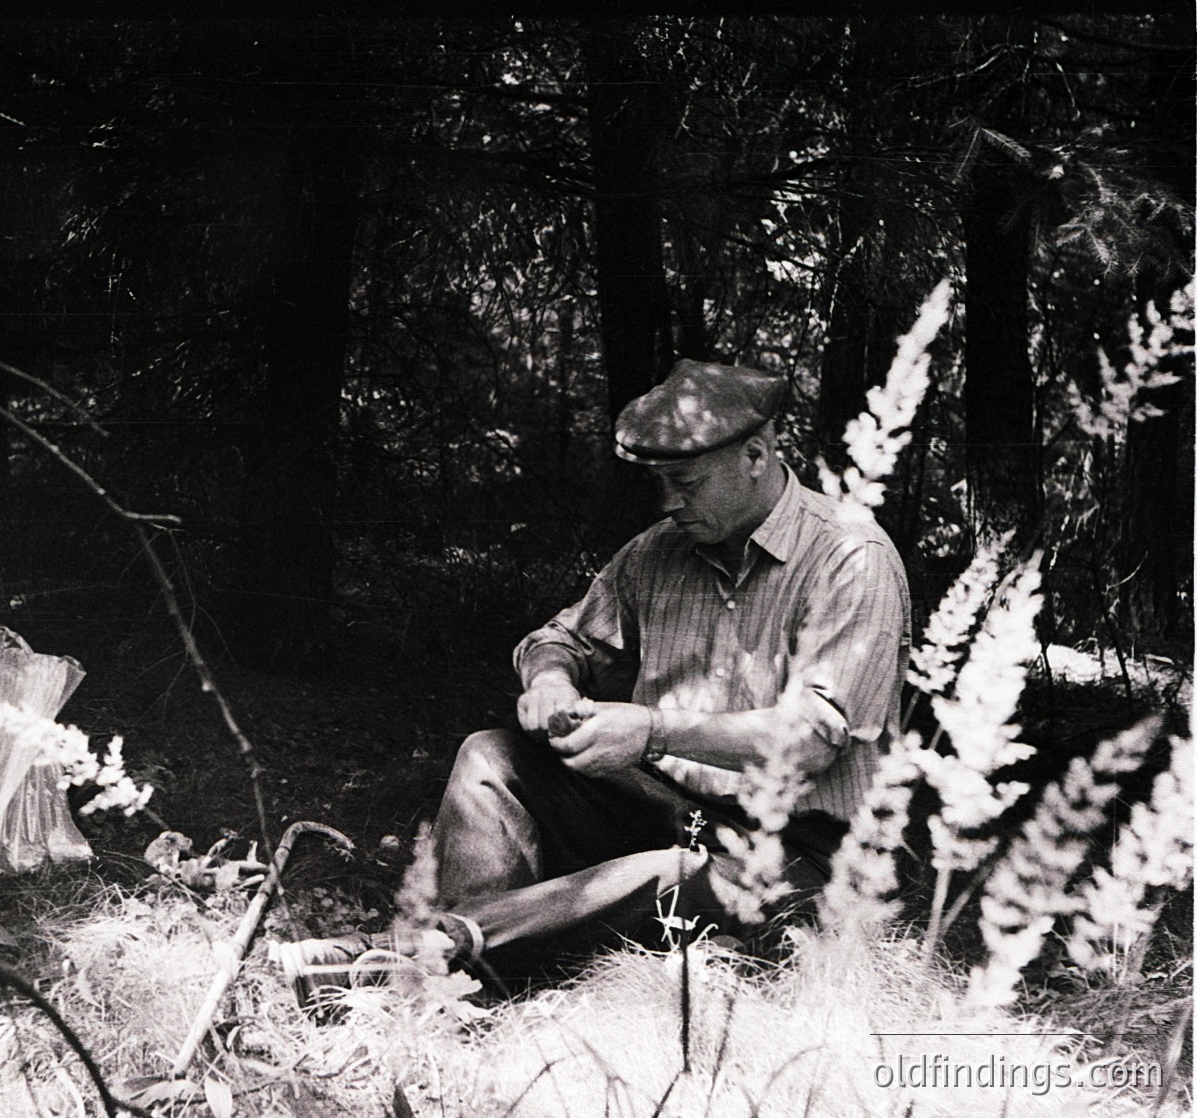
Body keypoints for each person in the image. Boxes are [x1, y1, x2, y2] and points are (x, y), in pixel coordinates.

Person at [273, 359, 910, 996]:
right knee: (490, 757)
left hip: (808, 854)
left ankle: (419, 959)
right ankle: (472, 976)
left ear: (755, 456)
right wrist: (550, 681)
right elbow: (560, 639)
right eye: (657, 482)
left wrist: (653, 732)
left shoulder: (851, 556)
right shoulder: (659, 551)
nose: (669, 502)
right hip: (667, 810)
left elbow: (812, 740)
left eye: (685, 481)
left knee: (676, 876)